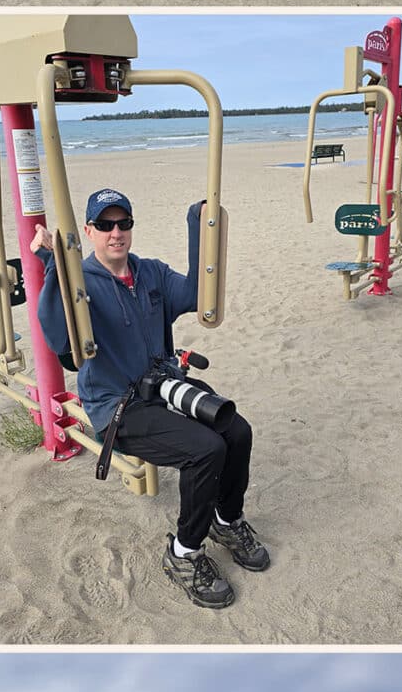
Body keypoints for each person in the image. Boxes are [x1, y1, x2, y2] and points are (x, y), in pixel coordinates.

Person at [33, 187, 269, 613]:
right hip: (118, 407)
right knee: (206, 450)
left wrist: (200, 224)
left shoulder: (151, 273)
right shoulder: (80, 283)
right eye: (105, 225)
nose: (116, 233)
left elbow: (199, 293)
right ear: (89, 231)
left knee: (237, 431)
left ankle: (227, 521)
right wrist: (53, 266)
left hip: (163, 387)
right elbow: (57, 338)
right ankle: (183, 552)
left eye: (123, 223)